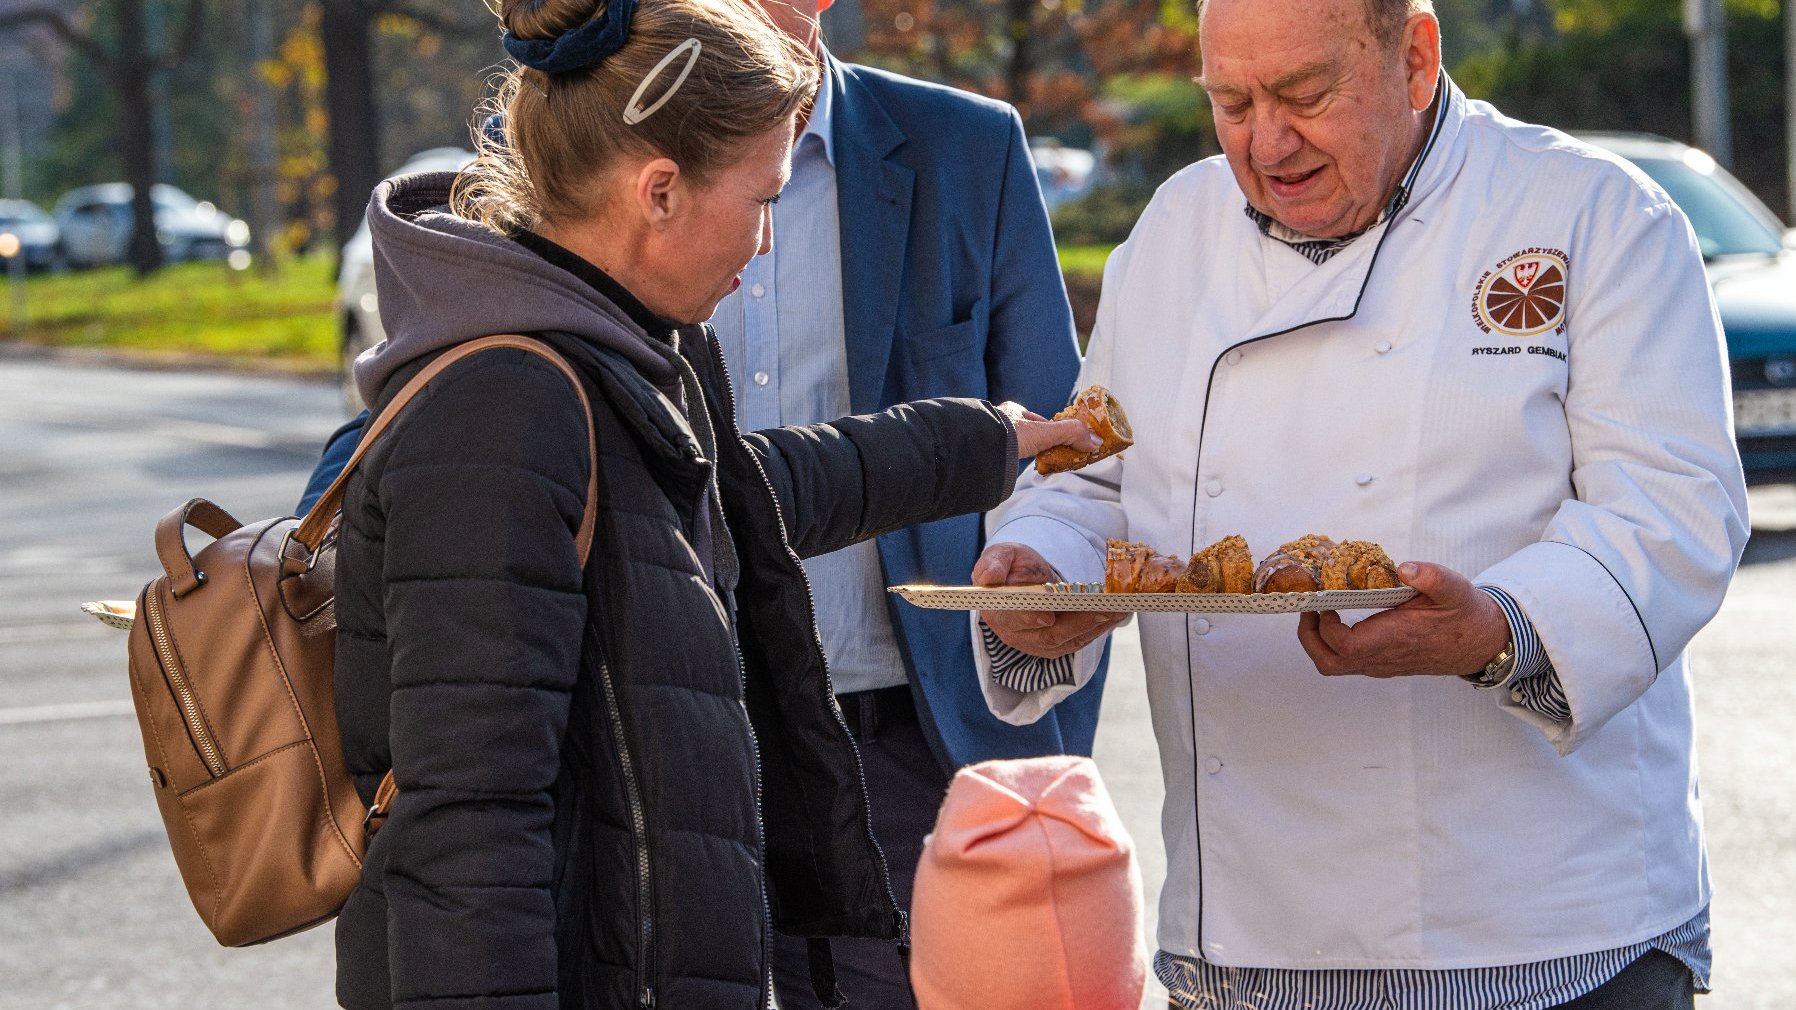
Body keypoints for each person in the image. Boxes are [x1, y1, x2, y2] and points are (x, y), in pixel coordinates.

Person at [321, 0, 1099, 1006]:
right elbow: (471, 825)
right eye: (762, 198)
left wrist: (983, 441)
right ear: (658, 192)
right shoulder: (504, 410)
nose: (767, 239)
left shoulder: (615, 351)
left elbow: (748, 492)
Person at [972, 1, 1749, 1008]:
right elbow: (1091, 468)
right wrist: (1036, 565)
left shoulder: (1591, 214)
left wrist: (1498, 629)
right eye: (1231, 102)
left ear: (1414, 57)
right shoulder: (1174, 231)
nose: (1265, 141)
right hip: (1249, 943)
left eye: (1304, 95)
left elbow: (1670, 509)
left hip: (1545, 930)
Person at [703, 3, 1102, 1007]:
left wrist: (1045, 591)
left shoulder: (970, 150)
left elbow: (1066, 461)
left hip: (909, 749)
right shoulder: (597, 156)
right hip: (677, 752)